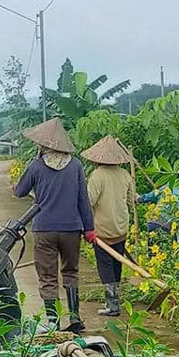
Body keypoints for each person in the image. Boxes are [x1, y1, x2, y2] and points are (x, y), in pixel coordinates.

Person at [11, 117, 95, 332]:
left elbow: (20, 191)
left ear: (44, 145)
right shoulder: (75, 166)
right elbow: (83, 199)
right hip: (72, 228)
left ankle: (53, 322)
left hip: (44, 229)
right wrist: (89, 229)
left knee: (48, 277)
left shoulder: (37, 166)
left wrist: (15, 186)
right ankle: (75, 318)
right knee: (70, 272)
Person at [82, 135, 137, 317]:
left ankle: (112, 304)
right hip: (121, 227)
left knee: (105, 266)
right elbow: (131, 201)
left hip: (102, 230)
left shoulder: (97, 176)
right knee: (116, 263)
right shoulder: (125, 175)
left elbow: (88, 201)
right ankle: (115, 300)